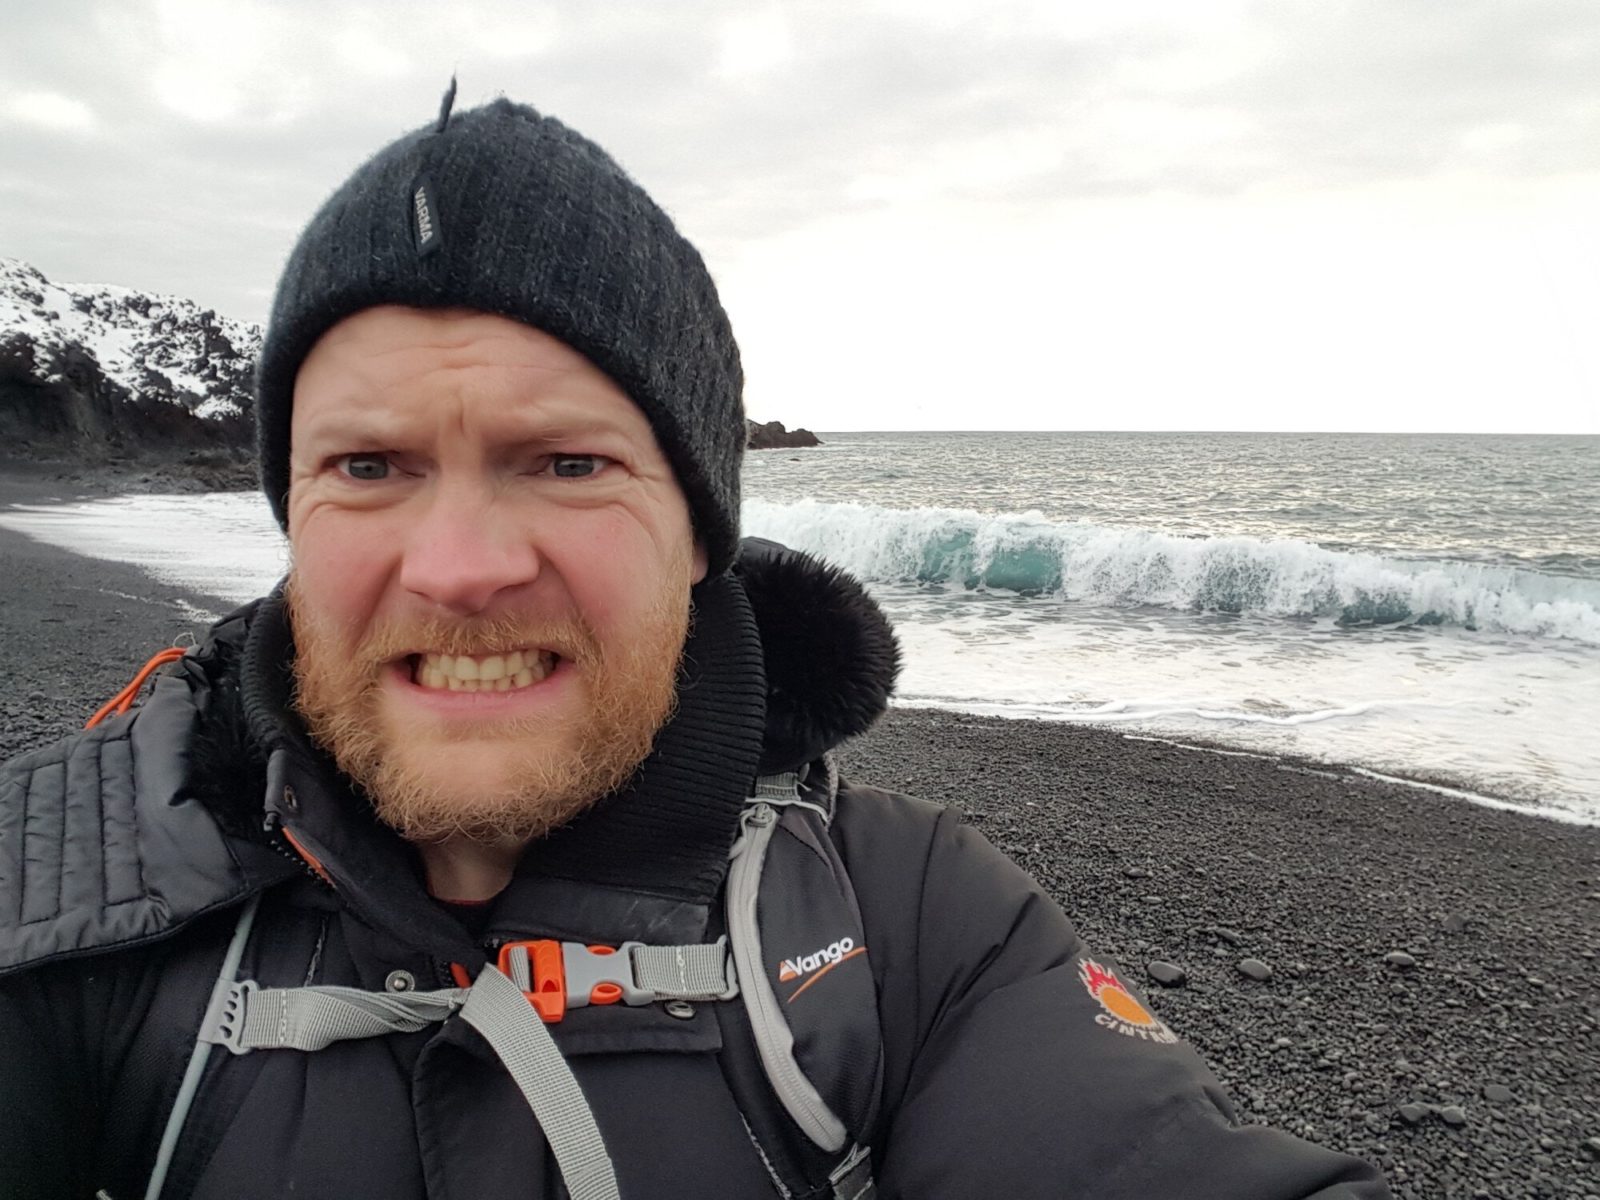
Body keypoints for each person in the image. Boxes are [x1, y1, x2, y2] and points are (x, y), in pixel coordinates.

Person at [0, 92, 1391, 1199]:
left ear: (699, 533)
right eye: (369, 466)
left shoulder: (912, 926)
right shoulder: (59, 900)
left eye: (565, 463)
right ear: (290, 511)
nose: (465, 565)